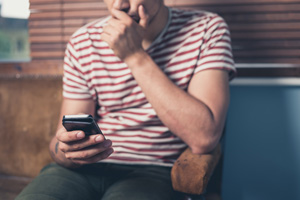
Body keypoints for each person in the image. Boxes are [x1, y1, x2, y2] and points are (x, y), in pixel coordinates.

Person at [17, 0, 236, 199]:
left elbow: (204, 137)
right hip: (82, 170)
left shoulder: (207, 29)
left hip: (155, 171)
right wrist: (66, 151)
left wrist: (134, 56)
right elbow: (61, 142)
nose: (120, 4)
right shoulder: (83, 41)